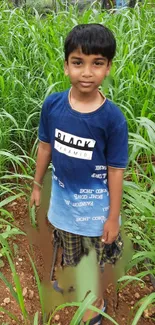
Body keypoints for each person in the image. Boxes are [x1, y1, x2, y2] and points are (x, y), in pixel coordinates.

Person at [30, 24, 128, 324]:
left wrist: (112, 217)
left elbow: (115, 170)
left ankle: (95, 307)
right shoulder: (53, 106)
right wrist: (36, 186)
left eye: (97, 63)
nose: (87, 72)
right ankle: (72, 279)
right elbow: (45, 147)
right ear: (66, 66)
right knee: (70, 251)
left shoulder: (112, 119)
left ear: (108, 68)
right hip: (64, 207)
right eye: (78, 62)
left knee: (95, 264)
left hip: (97, 213)